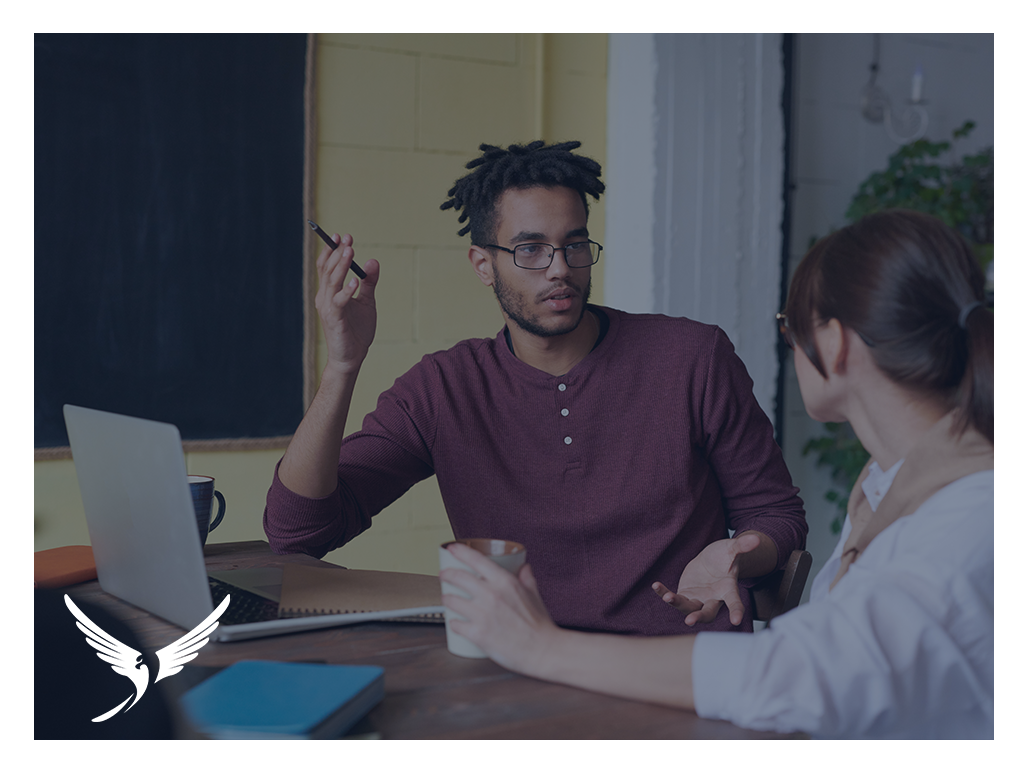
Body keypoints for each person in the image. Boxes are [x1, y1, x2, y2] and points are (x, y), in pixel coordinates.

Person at [439, 209, 993, 739]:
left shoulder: (969, 516)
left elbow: (799, 673)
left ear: (834, 342)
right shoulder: (890, 485)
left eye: (788, 326)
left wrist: (539, 646)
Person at [265, 140, 807, 636]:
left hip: (676, 665)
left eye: (574, 246)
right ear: (483, 264)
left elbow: (778, 516)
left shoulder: (692, 357)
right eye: (530, 250)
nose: (559, 270)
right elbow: (299, 532)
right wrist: (342, 365)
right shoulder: (444, 387)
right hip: (521, 667)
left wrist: (735, 556)